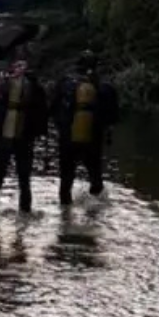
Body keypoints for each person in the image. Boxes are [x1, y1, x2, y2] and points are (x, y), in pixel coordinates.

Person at [0, 55, 48, 220]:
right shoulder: (34, 86)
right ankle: (24, 219)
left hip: (3, 137)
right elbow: (43, 113)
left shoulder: (1, 83)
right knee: (24, 180)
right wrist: (39, 136)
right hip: (25, 138)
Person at [51, 50, 120, 206]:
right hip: (93, 138)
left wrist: (60, 129)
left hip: (68, 137)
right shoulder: (106, 87)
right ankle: (94, 216)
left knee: (66, 178)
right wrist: (107, 135)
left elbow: (54, 109)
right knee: (95, 177)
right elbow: (112, 118)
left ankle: (65, 215)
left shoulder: (65, 83)